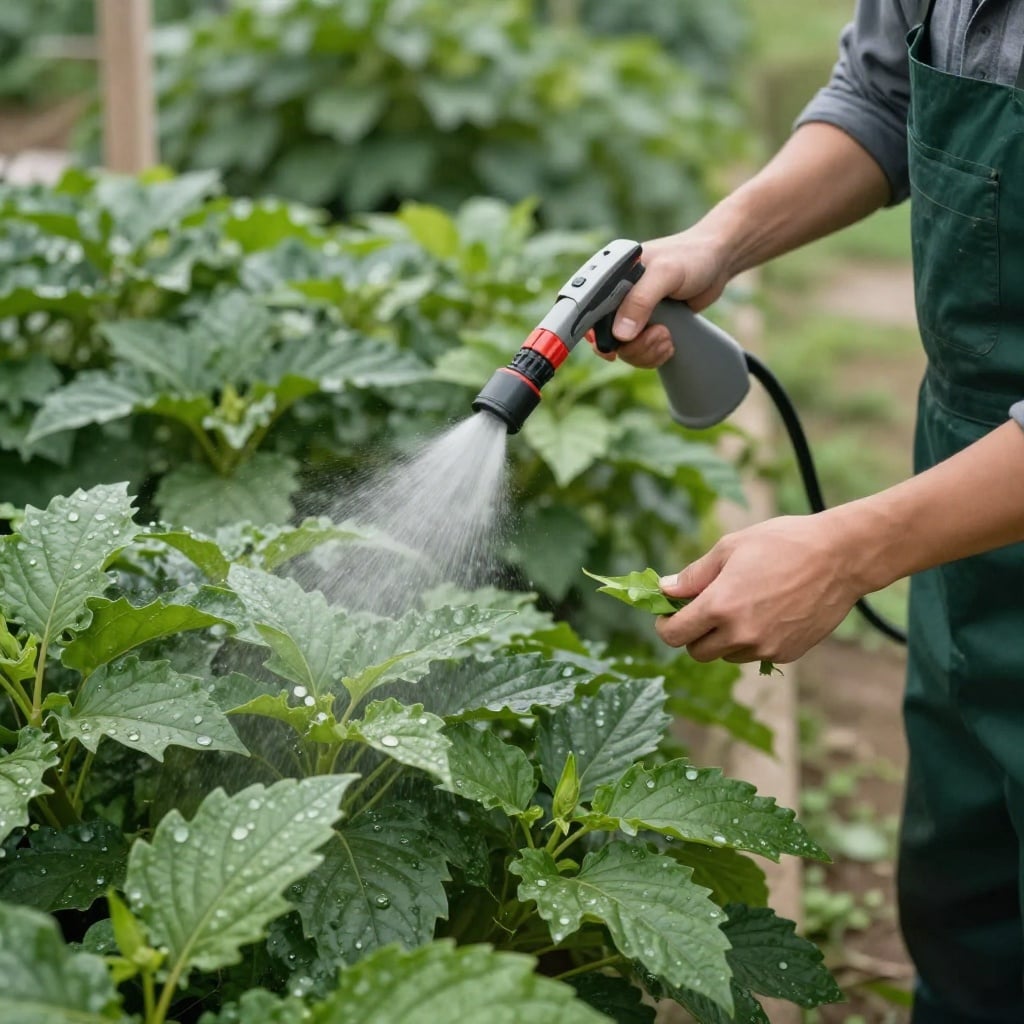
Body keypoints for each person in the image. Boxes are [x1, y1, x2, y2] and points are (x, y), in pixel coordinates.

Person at [606, 2, 1024, 1021]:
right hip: (972, 470)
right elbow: (880, 96)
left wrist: (847, 551)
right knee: (969, 894)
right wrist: (718, 241)